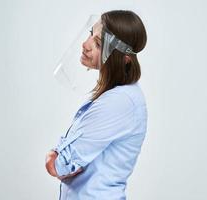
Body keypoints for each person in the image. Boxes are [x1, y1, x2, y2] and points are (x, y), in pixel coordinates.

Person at [45, 10, 147, 200]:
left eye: (98, 44)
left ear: (123, 57)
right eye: (91, 35)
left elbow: (59, 165)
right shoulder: (117, 95)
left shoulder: (119, 102)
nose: (85, 45)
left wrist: (52, 156)